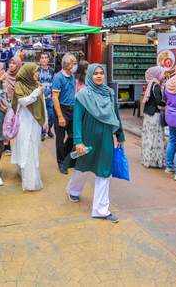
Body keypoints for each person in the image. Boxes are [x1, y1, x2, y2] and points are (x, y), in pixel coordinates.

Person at [66, 64, 125, 223]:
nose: (99, 76)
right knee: (83, 167)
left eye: (101, 73)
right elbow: (77, 119)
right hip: (88, 136)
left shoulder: (109, 94)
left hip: (106, 137)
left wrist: (120, 135)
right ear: (90, 76)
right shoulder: (83, 95)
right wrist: (78, 141)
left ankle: (101, 209)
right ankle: (73, 190)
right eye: (95, 74)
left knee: (104, 171)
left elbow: (115, 115)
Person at [12, 63, 47, 191]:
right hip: (25, 122)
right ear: (28, 73)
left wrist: (45, 121)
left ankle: (29, 176)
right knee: (27, 148)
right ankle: (30, 182)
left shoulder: (38, 85)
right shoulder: (19, 85)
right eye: (35, 72)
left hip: (36, 122)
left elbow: (42, 104)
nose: (38, 74)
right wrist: (35, 93)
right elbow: (23, 102)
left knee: (34, 149)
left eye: (38, 72)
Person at [52, 53, 77, 173]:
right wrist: (60, 116)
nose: (75, 65)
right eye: (74, 63)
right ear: (67, 65)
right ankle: (61, 162)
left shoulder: (72, 76)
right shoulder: (58, 77)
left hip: (73, 109)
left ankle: (66, 157)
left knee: (72, 137)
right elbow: (55, 97)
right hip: (61, 109)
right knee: (60, 139)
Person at [141, 66, 166, 168]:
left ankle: (147, 159)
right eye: (162, 73)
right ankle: (154, 161)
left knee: (148, 137)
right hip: (154, 115)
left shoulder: (150, 84)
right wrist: (167, 104)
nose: (163, 76)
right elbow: (158, 102)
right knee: (155, 137)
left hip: (148, 114)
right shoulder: (155, 86)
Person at [37, 52, 55, 141]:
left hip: (50, 97)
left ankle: (49, 129)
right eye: (42, 58)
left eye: (45, 58)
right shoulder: (36, 70)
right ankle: (42, 132)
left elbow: (54, 83)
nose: (44, 59)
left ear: (48, 59)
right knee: (42, 116)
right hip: (40, 97)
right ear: (40, 59)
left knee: (51, 115)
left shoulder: (52, 70)